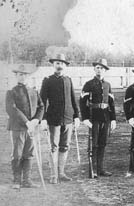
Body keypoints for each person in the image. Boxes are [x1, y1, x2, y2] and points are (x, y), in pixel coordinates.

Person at [40, 53, 81, 184]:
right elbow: (42, 102)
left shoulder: (68, 80)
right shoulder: (47, 80)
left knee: (65, 146)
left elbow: (73, 99)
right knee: (54, 147)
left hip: (68, 118)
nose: (60, 65)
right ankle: (53, 175)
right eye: (57, 63)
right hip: (53, 119)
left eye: (62, 63)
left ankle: (61, 173)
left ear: (65, 66)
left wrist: (77, 116)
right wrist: (44, 118)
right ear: (53, 65)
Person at [6, 65, 44, 189]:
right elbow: (12, 109)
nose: (23, 76)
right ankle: (17, 180)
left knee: (29, 153)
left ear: (28, 76)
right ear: (16, 76)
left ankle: (27, 180)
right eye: (20, 74)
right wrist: (26, 122)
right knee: (17, 155)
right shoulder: (12, 91)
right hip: (18, 127)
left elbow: (41, 106)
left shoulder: (34, 91)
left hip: (32, 128)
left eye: (25, 74)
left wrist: (36, 120)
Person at [80, 59, 116, 177]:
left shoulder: (107, 85)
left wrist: (113, 119)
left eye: (102, 68)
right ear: (94, 69)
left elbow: (111, 103)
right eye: (98, 68)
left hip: (105, 117)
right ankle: (93, 169)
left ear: (105, 70)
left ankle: (100, 169)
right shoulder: (88, 84)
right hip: (93, 117)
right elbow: (82, 103)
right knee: (94, 144)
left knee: (102, 143)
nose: (99, 70)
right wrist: (85, 118)